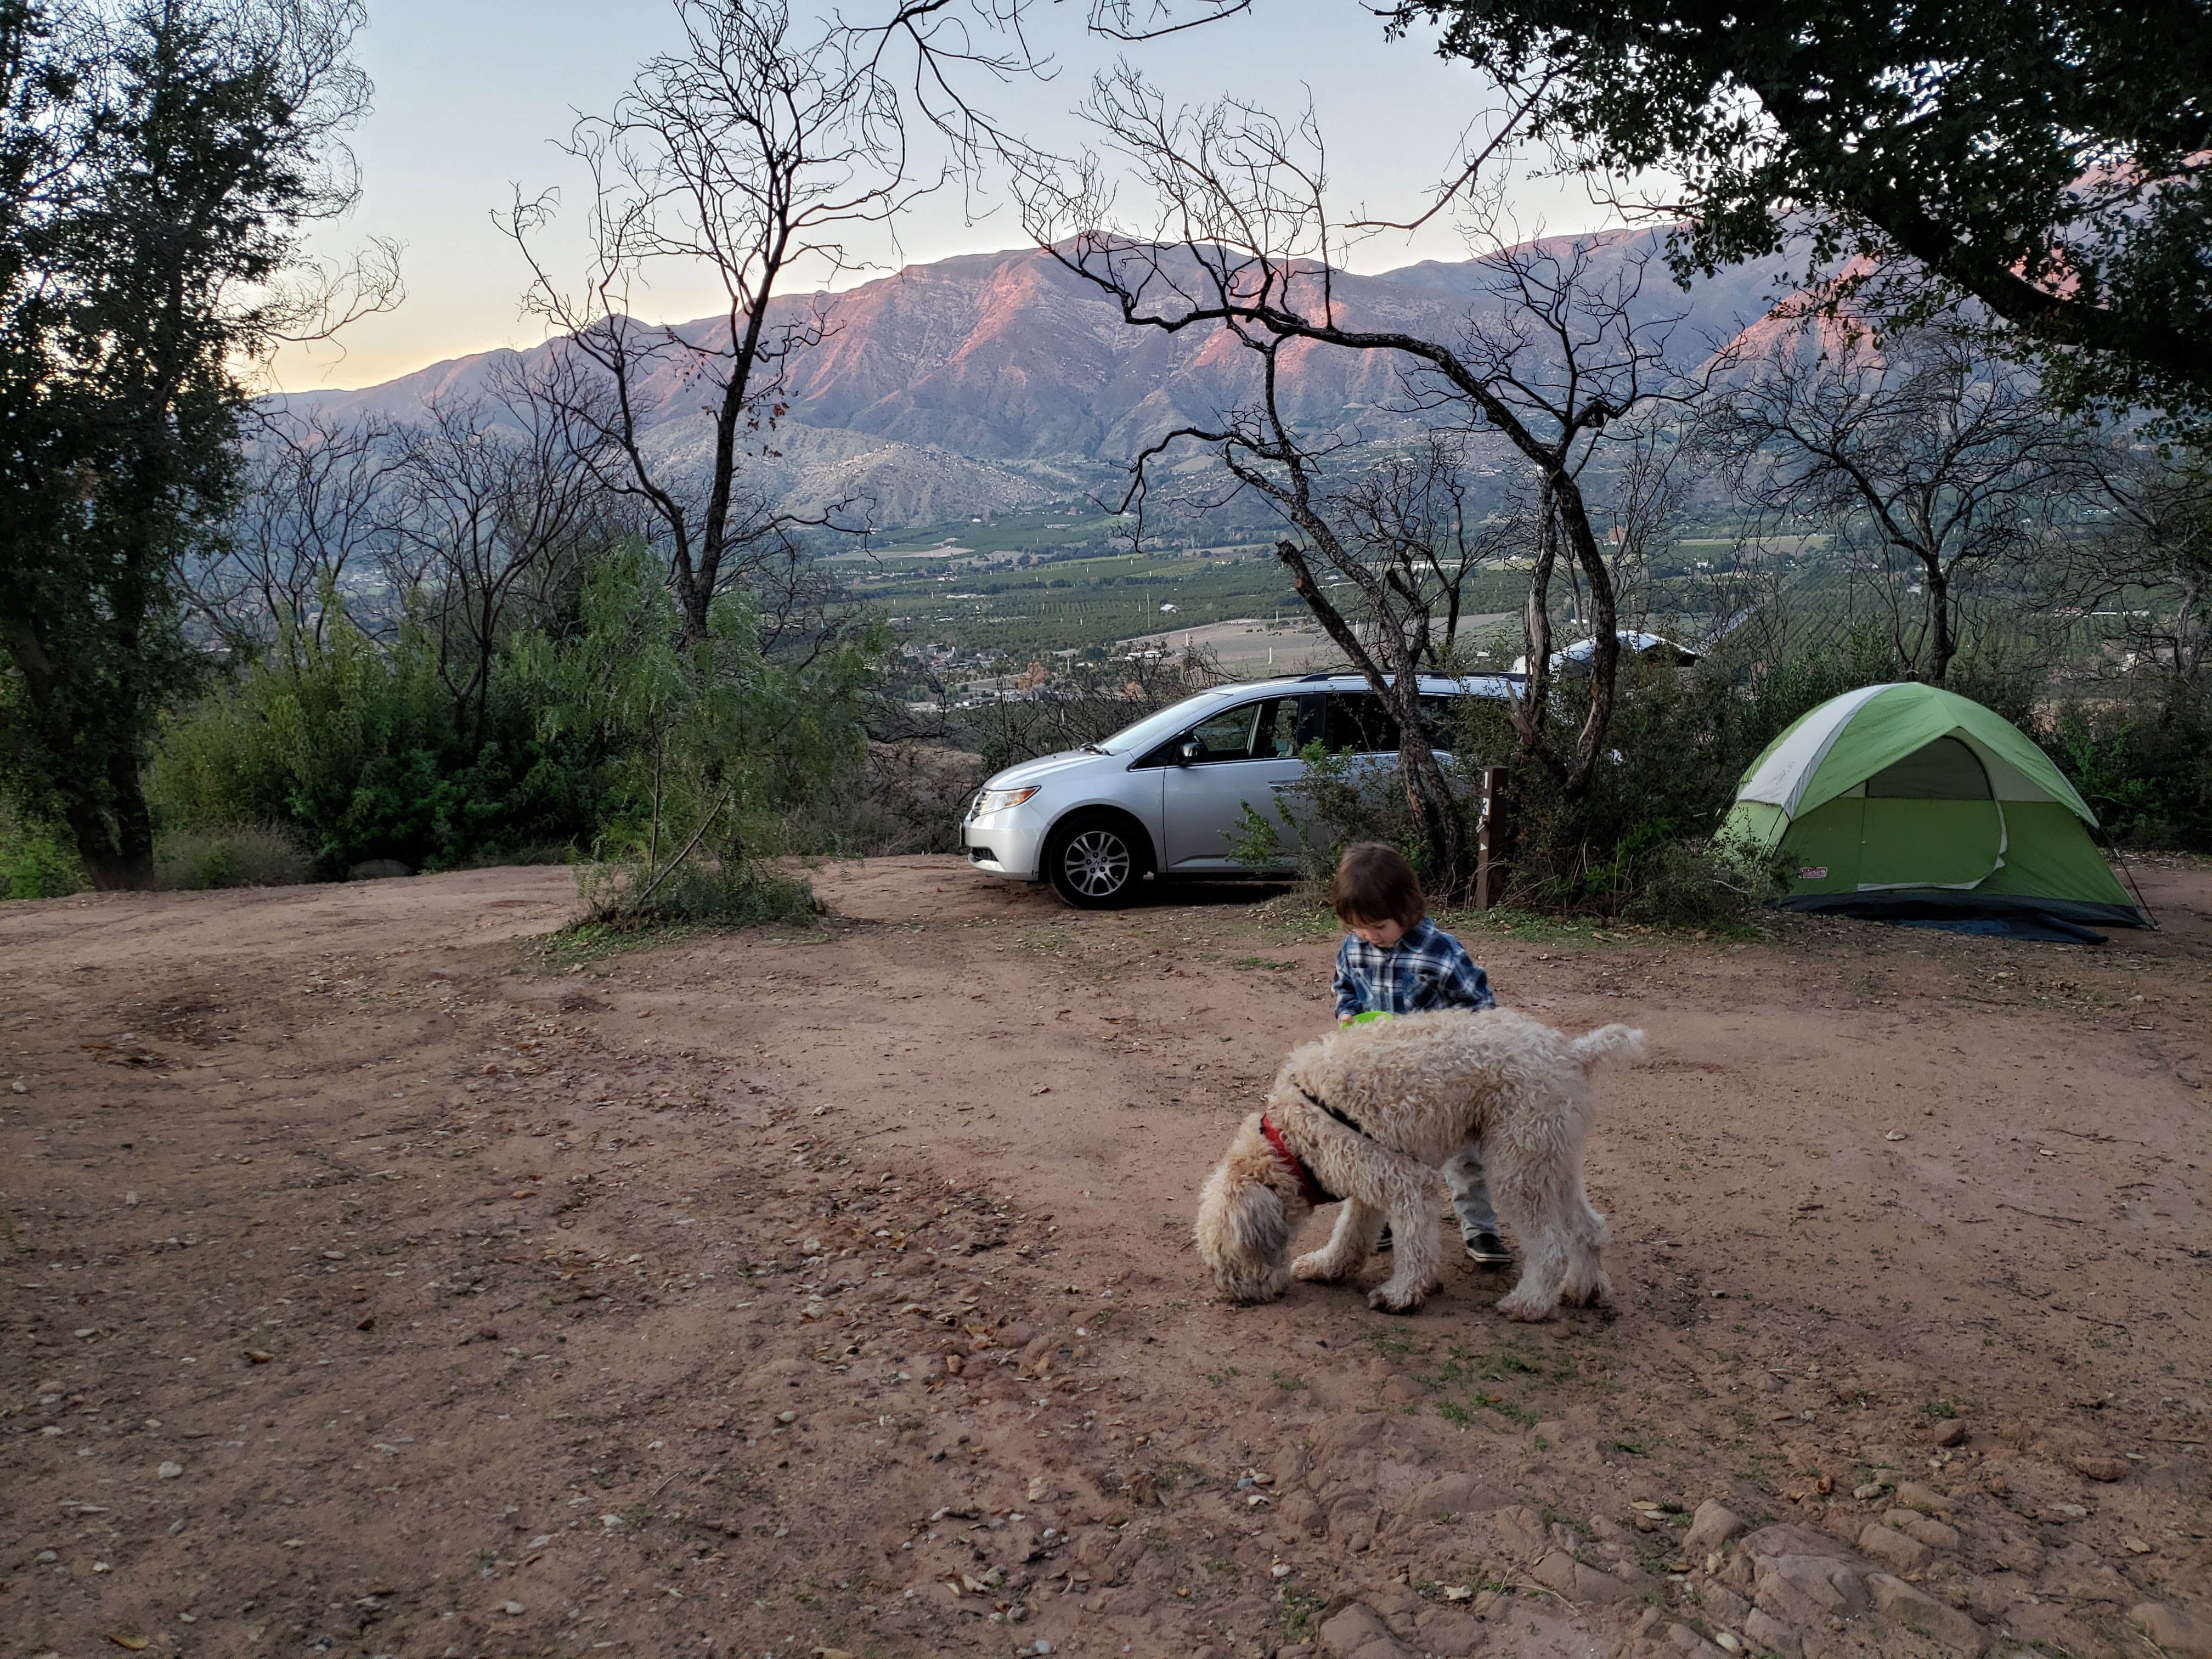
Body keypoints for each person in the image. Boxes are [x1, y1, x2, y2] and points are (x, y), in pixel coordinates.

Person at [1329, 840, 1515, 1267]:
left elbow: (1481, 1009)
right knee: (1385, 1152)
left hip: (1442, 1082)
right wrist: (1347, 1017)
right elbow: (1344, 990)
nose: (1370, 937)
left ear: (1407, 909)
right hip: (1383, 1081)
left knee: (1464, 1155)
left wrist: (1450, 1045)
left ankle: (1481, 1228)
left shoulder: (1441, 951)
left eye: (1379, 926)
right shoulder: (1354, 949)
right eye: (1358, 927)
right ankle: (1389, 1222)